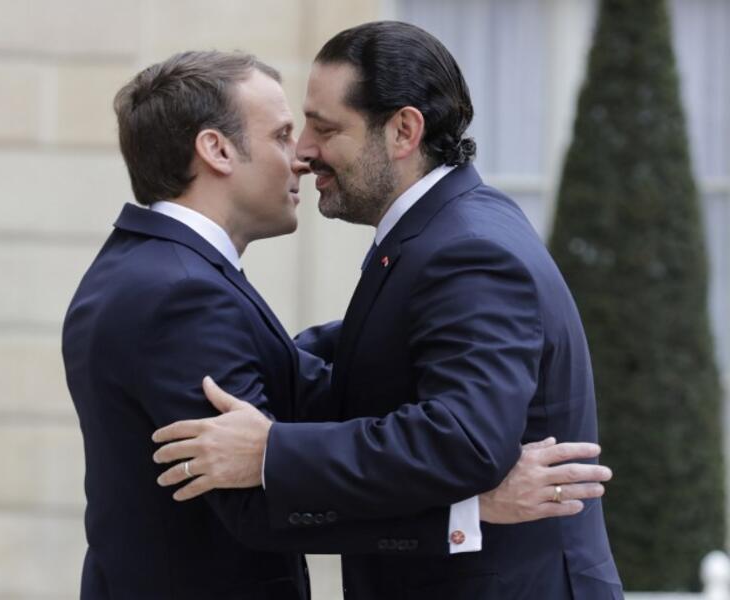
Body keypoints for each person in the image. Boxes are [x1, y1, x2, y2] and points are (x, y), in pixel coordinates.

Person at [153, 22, 623, 599]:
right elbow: (374, 348)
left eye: (325, 128)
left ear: (403, 130)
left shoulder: (468, 248)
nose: (303, 150)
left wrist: (270, 453)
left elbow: (465, 440)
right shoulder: (441, 232)